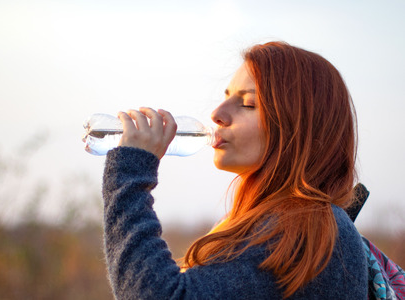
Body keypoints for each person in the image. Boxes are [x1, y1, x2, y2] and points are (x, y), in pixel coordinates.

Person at [102, 41, 368, 299]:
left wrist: (131, 172)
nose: (217, 113)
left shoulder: (304, 231)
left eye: (248, 104)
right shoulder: (285, 224)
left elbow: (159, 294)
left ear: (299, 128)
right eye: (227, 97)